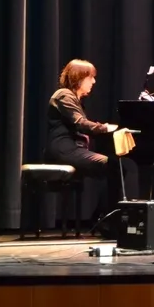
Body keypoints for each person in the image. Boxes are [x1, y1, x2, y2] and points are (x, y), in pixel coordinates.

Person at [45, 59, 122, 230]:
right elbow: (80, 123)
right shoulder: (63, 95)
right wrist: (105, 127)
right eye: (90, 77)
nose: (93, 81)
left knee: (113, 167)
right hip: (63, 149)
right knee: (111, 165)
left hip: (72, 148)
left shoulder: (73, 98)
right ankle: (107, 220)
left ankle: (103, 217)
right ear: (78, 78)